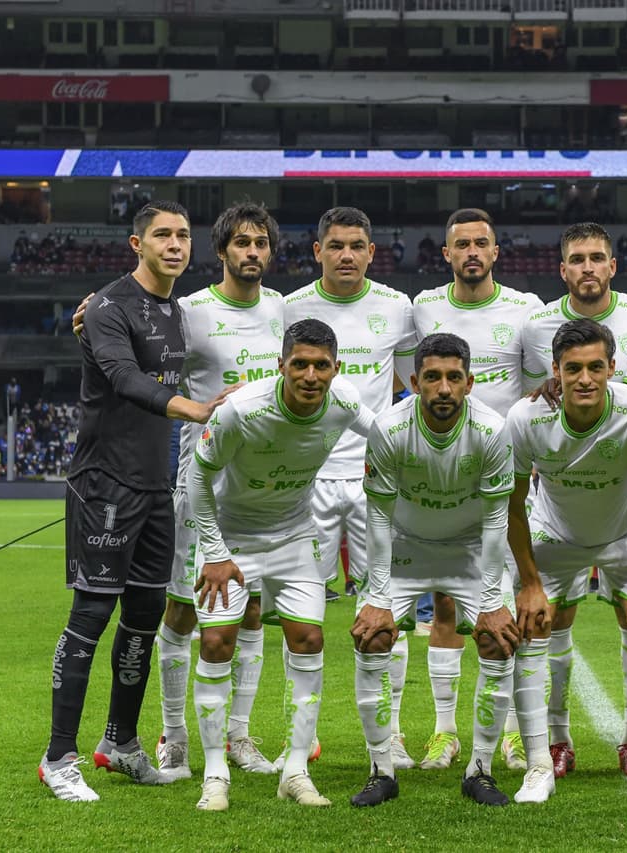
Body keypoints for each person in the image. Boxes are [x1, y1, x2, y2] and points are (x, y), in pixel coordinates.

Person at [72, 202, 291, 779]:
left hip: (263, 486)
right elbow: (130, 341)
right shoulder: (187, 311)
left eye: (262, 243)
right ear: (220, 252)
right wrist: (86, 318)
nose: (253, 252)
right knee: (180, 609)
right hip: (202, 484)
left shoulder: (283, 310)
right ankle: (173, 738)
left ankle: (240, 737)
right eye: (241, 243)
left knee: (251, 609)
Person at [40, 201, 234, 802]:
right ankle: (58, 756)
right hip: (104, 485)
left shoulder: (177, 309)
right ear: (136, 243)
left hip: (156, 488)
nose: (175, 244)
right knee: (91, 616)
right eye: (162, 235)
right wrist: (197, 409)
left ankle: (120, 743)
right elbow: (123, 379)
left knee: (144, 620)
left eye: (182, 236)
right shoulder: (106, 306)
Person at [187, 319, 373, 811]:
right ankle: (214, 772)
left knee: (309, 638)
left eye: (321, 366)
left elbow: (391, 437)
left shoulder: (346, 402)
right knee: (215, 641)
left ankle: (295, 769)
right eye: (300, 365)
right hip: (232, 536)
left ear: (337, 368)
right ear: (280, 366)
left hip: (295, 535)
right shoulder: (241, 411)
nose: (310, 376)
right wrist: (215, 553)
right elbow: (197, 478)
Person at [506, 318, 627, 803]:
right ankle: (544, 758)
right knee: (534, 627)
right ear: (555, 372)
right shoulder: (525, 418)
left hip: (624, 534)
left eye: (596, 367)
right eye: (573, 368)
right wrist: (529, 582)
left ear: (612, 368)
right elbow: (512, 505)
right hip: (555, 536)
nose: (585, 379)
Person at [350, 333, 522, 807]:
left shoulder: (491, 429)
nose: (443, 388)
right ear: (413, 382)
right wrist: (378, 598)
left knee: (498, 639)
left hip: (469, 549)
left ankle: (480, 770)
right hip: (407, 548)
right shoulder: (388, 427)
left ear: (469, 382)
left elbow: (495, 519)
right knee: (373, 636)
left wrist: (490, 604)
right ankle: (380, 770)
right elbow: (379, 516)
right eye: (432, 377)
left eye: (453, 378)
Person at [519, 222, 627, 779]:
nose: (586, 267)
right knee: (554, 620)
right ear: (563, 269)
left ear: (612, 266)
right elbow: (524, 394)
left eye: (596, 257)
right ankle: (555, 739)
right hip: (560, 496)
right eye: (576, 259)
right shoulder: (535, 326)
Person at [406, 209, 544, 773]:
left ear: (495, 251)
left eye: (480, 243)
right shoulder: (422, 307)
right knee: (444, 601)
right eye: (460, 243)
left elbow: (543, 383)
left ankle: (511, 732)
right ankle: (444, 732)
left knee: (508, 603)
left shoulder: (526, 310)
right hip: (444, 470)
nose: (471, 252)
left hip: (508, 473)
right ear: (446, 253)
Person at [282, 207, 417, 646]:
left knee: (384, 601)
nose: (347, 255)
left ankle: (386, 707)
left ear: (371, 252)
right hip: (307, 475)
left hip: (371, 474)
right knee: (301, 607)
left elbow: (406, 383)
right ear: (318, 250)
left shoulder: (397, 307)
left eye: (357, 246)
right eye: (336, 246)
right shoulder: (290, 308)